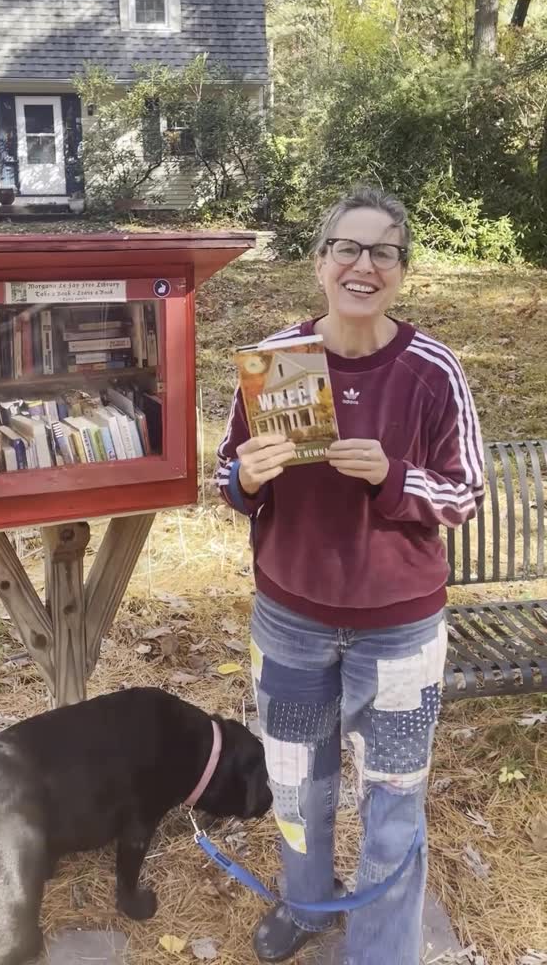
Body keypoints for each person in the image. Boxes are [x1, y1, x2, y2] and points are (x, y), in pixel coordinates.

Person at [216, 187, 484, 965]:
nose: (362, 265)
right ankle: (306, 905)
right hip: (291, 619)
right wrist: (249, 479)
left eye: (382, 252)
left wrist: (395, 477)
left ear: (402, 270)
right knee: (299, 785)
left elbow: (464, 493)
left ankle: (380, 949)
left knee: (394, 797)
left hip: (398, 630)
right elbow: (225, 479)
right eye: (347, 248)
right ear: (320, 261)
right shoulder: (277, 364)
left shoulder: (432, 371)